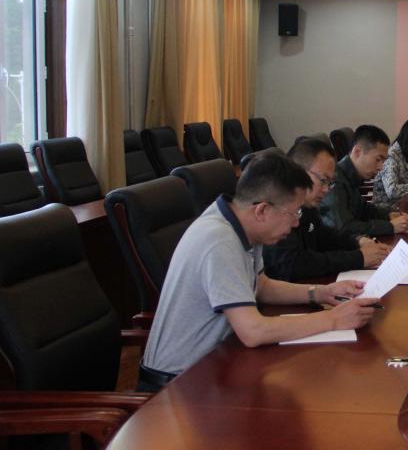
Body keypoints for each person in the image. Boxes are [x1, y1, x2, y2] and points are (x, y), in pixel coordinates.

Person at [138, 153, 379, 390]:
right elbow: (253, 331)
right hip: (178, 386)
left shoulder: (244, 226)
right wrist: (334, 319)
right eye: (294, 213)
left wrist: (321, 292)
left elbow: (261, 286)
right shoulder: (219, 240)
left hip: (220, 363)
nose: (297, 223)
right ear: (262, 211)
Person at [263, 138, 392, 281]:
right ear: (299, 171)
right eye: (323, 180)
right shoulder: (277, 208)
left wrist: (358, 241)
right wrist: (358, 257)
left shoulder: (308, 205)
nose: (326, 190)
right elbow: (293, 264)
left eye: (329, 183)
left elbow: (324, 236)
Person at [320, 125, 408, 237]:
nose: (381, 167)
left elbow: (363, 209)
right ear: (357, 152)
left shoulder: (351, 175)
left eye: (383, 161)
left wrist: (389, 214)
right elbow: (344, 227)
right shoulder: (334, 181)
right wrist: (390, 226)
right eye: (378, 159)